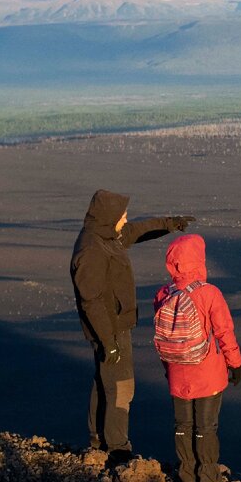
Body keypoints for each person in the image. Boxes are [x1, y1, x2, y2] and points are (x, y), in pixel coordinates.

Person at [69, 188, 193, 462]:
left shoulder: (106, 236)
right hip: (109, 329)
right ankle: (118, 448)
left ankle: (98, 439)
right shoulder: (91, 249)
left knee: (105, 382)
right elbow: (91, 300)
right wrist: (108, 341)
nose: (125, 220)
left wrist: (169, 224)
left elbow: (137, 230)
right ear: (108, 217)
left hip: (114, 326)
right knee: (121, 387)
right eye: (121, 216)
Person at [154, 234, 241, 482]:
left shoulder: (163, 294)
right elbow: (224, 332)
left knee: (182, 425)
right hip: (207, 372)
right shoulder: (209, 294)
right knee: (206, 427)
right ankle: (208, 479)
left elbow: (162, 335)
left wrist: (167, 368)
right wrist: (235, 364)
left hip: (177, 371)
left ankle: (187, 476)